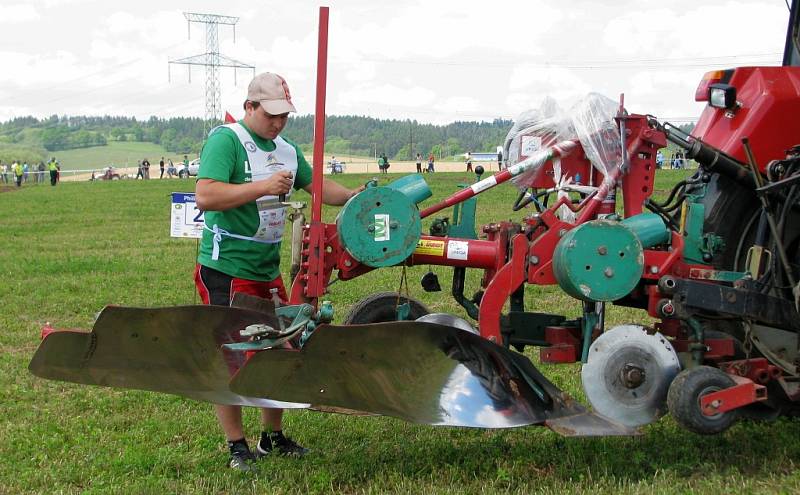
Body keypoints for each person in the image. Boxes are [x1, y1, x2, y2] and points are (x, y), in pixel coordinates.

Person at [194, 71, 364, 472]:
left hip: (267, 267)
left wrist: (357, 199)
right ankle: (237, 445)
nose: (278, 122)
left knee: (279, 348)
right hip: (226, 268)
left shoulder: (286, 149)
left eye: (284, 115)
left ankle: (271, 437)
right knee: (231, 356)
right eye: (271, 114)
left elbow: (319, 187)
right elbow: (206, 194)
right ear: (250, 107)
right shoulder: (227, 140)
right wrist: (263, 187)